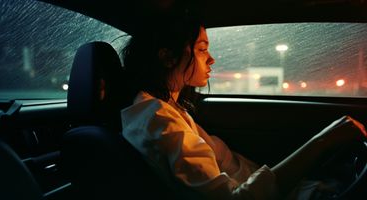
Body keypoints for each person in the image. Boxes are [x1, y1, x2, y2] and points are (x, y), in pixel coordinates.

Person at [119, 5, 367, 200]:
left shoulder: (168, 110)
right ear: (168, 57)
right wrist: (322, 141)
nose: (212, 59)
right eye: (202, 49)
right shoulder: (157, 120)